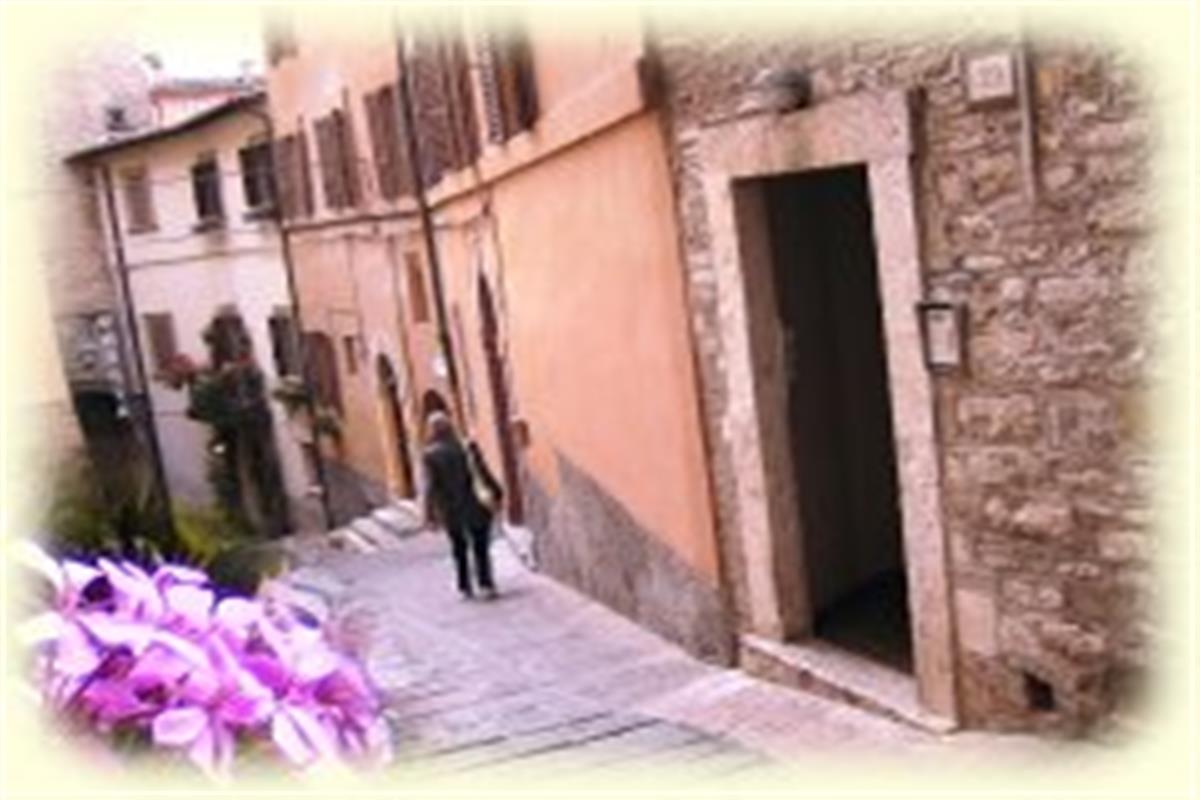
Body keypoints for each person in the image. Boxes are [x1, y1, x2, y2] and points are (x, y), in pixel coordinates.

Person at [421, 411, 504, 600]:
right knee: (480, 546)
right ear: (451, 427)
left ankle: (464, 585)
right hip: (476, 503)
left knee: (459, 547)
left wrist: (428, 513)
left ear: (431, 431)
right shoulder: (467, 446)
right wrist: (497, 492)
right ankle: (486, 583)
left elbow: (430, 486)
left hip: (451, 509)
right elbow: (483, 472)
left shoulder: (430, 455)